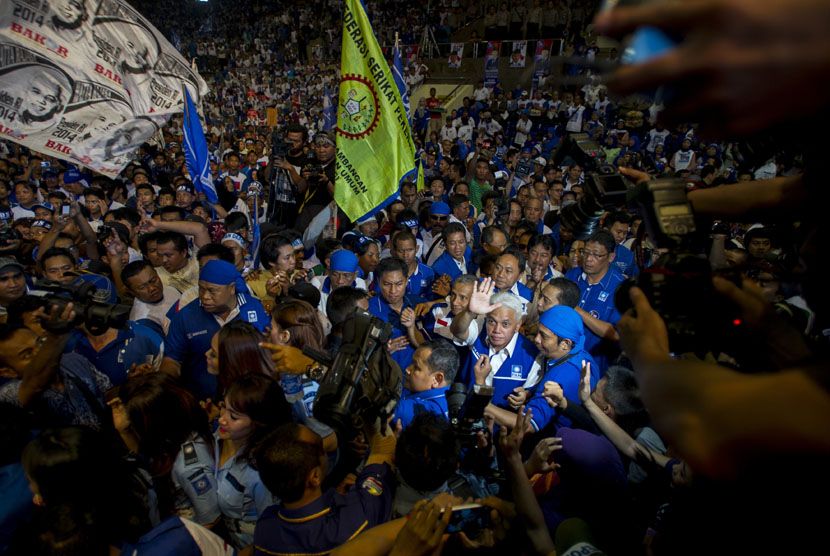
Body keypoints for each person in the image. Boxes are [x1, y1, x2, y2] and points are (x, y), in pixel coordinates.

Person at [251, 420, 396, 556]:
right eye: (321, 449)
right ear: (314, 477)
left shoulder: (265, 529)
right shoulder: (354, 519)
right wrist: (373, 418)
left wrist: (335, 499)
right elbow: (383, 450)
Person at [111, 373, 220, 526]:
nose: (134, 427)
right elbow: (145, 458)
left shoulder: (189, 464)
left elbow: (211, 519)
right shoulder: (171, 436)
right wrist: (124, 431)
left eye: (135, 423)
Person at [162, 259, 268, 399]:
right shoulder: (185, 317)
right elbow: (172, 360)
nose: (205, 297)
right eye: (201, 289)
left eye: (212, 291)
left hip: (246, 398)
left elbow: (267, 348)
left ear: (231, 288)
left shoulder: (255, 308)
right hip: (201, 400)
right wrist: (163, 385)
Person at [214, 374, 292, 548]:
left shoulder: (260, 473)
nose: (222, 419)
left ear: (258, 423)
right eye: (223, 407)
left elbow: (273, 531)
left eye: (234, 417)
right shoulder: (214, 439)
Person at [451, 280, 541, 409]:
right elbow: (457, 330)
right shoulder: (479, 331)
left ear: (518, 325)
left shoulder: (532, 355)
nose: (496, 330)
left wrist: (526, 395)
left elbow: (530, 392)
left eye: (505, 324)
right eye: (492, 321)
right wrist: (469, 312)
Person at [565, 229, 625, 373]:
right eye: (585, 252)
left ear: (611, 257)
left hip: (597, 367)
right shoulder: (572, 275)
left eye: (596, 255)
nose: (588, 259)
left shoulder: (620, 288)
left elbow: (615, 334)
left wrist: (578, 310)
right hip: (564, 360)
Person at [393, 340, 458, 429]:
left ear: (437, 379)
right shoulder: (454, 401)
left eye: (416, 367)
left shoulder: (409, 411)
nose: (408, 369)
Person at [122, 259, 179, 336]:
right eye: (142, 287)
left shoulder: (170, 289)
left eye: (153, 280)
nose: (152, 288)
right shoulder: (143, 322)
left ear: (156, 274)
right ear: (131, 291)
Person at [310, 249, 366, 314]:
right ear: (329, 273)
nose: (340, 281)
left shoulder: (359, 285)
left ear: (355, 275)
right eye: (335, 275)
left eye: (346, 276)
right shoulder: (317, 284)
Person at [392, 230, 437, 300]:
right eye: (401, 251)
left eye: (409, 250)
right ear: (395, 251)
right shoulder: (387, 273)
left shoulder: (429, 273)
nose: (405, 255)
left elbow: (432, 300)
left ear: (417, 249)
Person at [493, 246, 534, 311]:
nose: (500, 275)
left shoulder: (528, 297)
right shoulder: (480, 288)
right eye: (498, 268)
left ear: (520, 275)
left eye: (508, 271)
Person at [603, 211, 637, 276]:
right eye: (619, 232)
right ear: (606, 230)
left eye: (625, 233)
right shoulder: (591, 250)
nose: (622, 236)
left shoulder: (628, 255)